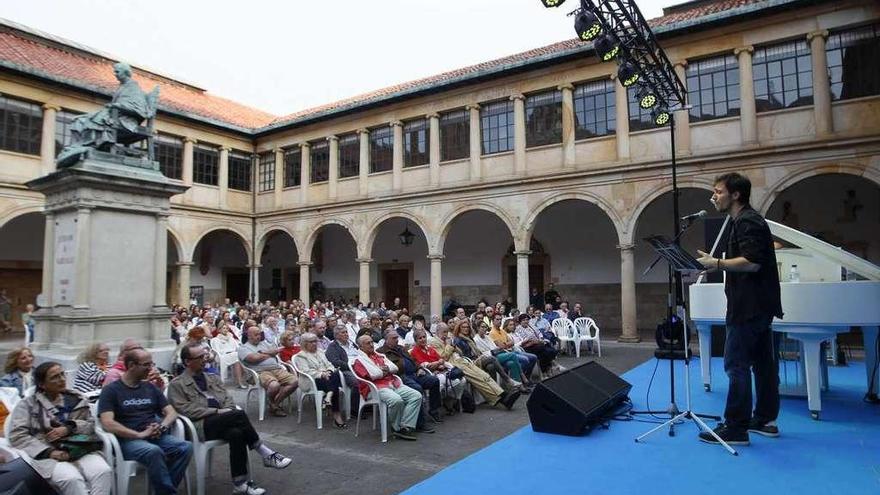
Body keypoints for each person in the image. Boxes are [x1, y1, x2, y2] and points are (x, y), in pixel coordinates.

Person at [696, 172, 783, 445]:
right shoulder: (742, 221)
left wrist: (717, 263)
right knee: (762, 365)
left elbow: (753, 262)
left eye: (719, 191)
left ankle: (736, 428)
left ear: (736, 195)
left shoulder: (747, 221)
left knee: (736, 365)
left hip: (748, 306)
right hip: (756, 304)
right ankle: (764, 420)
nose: (714, 196)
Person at [168, 343, 291, 495]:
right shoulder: (177, 384)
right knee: (238, 415)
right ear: (187, 361)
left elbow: (228, 400)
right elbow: (186, 410)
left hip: (225, 420)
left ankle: (240, 483)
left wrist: (225, 411)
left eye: (205, 356)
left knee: (236, 434)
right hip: (200, 426)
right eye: (199, 357)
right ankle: (263, 451)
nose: (204, 360)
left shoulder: (213, 378)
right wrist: (217, 411)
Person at [8, 361, 113, 495]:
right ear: (42, 384)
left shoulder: (77, 399)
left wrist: (70, 427)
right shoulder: (27, 405)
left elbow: (90, 425)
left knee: (103, 471)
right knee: (71, 479)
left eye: (62, 374)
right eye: (55, 377)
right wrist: (49, 452)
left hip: (79, 448)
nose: (62, 379)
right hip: (47, 454)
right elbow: (17, 436)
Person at [98, 348, 193, 495]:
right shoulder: (111, 390)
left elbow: (171, 412)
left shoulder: (150, 387)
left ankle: (163, 491)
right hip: (129, 440)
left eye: (151, 363)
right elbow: (107, 422)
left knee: (185, 447)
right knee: (153, 452)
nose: (151, 368)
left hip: (155, 435)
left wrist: (162, 426)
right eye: (146, 364)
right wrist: (139, 435)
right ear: (131, 366)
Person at [422, 324, 520, 411]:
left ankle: (503, 395)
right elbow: (443, 357)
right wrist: (449, 346)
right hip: (453, 366)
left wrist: (454, 347)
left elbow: (459, 352)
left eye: (447, 332)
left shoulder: (448, 340)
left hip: (462, 361)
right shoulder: (433, 342)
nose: (446, 334)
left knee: (484, 375)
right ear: (438, 332)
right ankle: (502, 399)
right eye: (444, 332)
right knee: (478, 378)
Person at [351, 335, 422, 441]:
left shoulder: (380, 355)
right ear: (361, 347)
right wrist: (384, 370)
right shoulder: (359, 360)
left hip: (393, 383)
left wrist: (384, 369)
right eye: (367, 343)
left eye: (371, 342)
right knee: (396, 400)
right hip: (375, 389)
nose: (371, 345)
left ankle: (405, 426)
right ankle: (396, 427)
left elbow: (395, 368)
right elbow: (374, 374)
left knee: (416, 396)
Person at [377, 330, 438, 431]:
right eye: (394, 338)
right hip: (401, 377)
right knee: (417, 389)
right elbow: (387, 368)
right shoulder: (381, 352)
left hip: (414, 374)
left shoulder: (401, 348)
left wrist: (419, 368)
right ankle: (420, 423)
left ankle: (434, 410)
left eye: (397, 338)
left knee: (434, 381)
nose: (397, 340)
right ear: (386, 340)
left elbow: (413, 360)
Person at [237, 326, 298, 417]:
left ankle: (274, 404)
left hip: (277, 369)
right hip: (260, 372)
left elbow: (275, 351)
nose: (259, 336)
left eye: (260, 334)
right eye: (256, 335)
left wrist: (261, 354)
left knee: (295, 381)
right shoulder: (243, 348)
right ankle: (274, 405)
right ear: (249, 336)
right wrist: (269, 354)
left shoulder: (264, 344)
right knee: (274, 385)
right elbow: (253, 359)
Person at [324, 325, 361, 415]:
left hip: (359, 367)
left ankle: (367, 405)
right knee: (357, 382)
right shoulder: (333, 347)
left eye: (346, 332)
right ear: (336, 336)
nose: (346, 334)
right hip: (345, 370)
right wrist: (351, 366)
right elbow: (335, 362)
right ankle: (354, 409)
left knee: (372, 378)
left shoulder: (351, 343)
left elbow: (360, 353)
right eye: (343, 333)